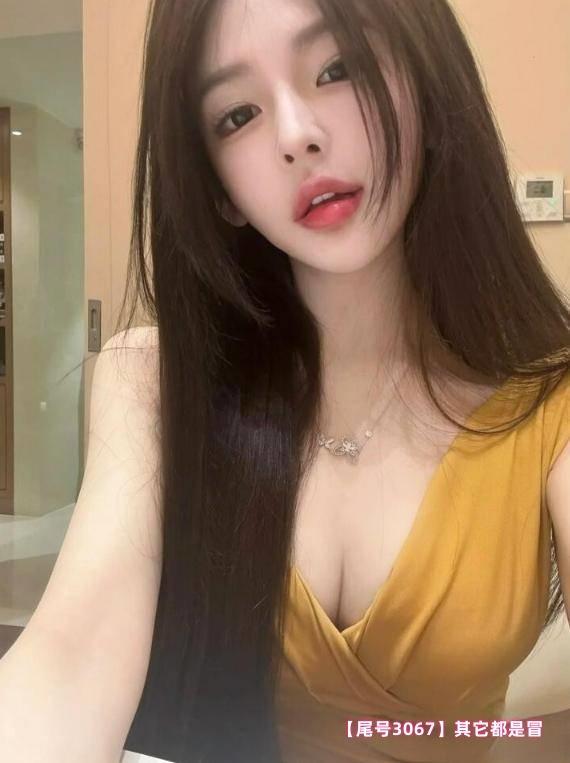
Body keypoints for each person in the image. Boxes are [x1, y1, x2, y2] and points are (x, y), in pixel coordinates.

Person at [0, 0, 568, 762]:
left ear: (426, 82)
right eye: (238, 115)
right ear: (219, 189)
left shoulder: (549, 410)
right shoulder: (152, 386)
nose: (297, 134)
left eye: (338, 68)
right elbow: (69, 657)